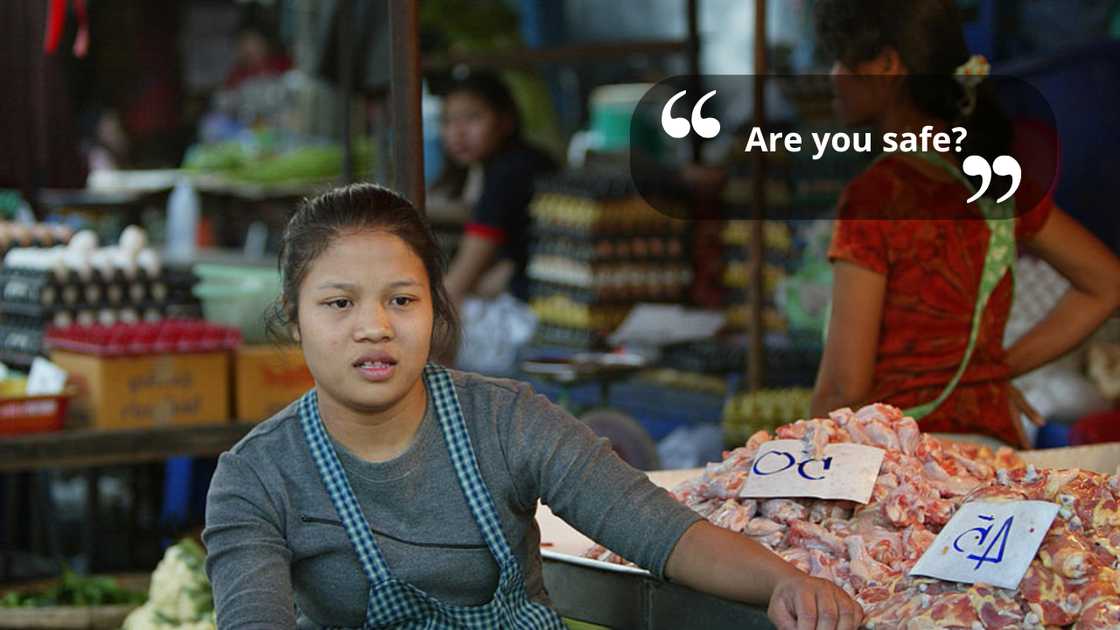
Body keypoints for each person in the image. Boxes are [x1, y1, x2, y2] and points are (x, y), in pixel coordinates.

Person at [204, 183, 862, 629]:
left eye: (401, 300)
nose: (374, 327)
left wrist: (783, 583)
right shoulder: (257, 478)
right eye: (339, 303)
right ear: (294, 319)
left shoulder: (505, 420)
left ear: (436, 307)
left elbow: (657, 530)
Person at [809, 0, 1120, 447]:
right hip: (995, 449)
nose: (832, 76)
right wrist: (992, 370)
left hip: (909, 465)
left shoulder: (877, 196)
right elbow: (1105, 282)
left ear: (886, 65)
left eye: (840, 59)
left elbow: (844, 389)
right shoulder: (995, 183)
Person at [433, 71, 556, 305]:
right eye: (448, 121)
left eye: (472, 118)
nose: (458, 132)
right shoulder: (507, 164)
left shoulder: (511, 171)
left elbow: (462, 276)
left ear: (505, 121)